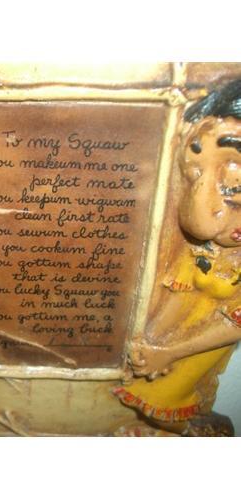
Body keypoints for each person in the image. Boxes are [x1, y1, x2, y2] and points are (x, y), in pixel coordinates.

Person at [113, 79, 241, 435]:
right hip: (172, 338)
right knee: (146, 395)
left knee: (166, 402)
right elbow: (180, 288)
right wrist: (148, 342)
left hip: (193, 350)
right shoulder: (203, 249)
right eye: (196, 174)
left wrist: (169, 352)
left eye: (234, 192)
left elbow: (232, 325)